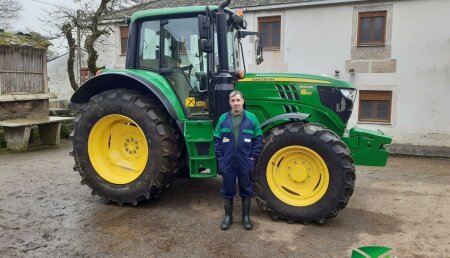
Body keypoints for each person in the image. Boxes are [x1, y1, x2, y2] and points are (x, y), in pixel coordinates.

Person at [213, 90, 263, 230]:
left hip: (245, 161)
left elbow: (258, 140)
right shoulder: (223, 119)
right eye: (233, 101)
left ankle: (246, 218)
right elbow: (217, 139)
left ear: (243, 101)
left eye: (238, 100)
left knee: (246, 189)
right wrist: (221, 158)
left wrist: (253, 157)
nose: (236, 103)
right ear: (230, 103)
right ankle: (228, 217)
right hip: (228, 160)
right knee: (227, 189)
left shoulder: (252, 118)